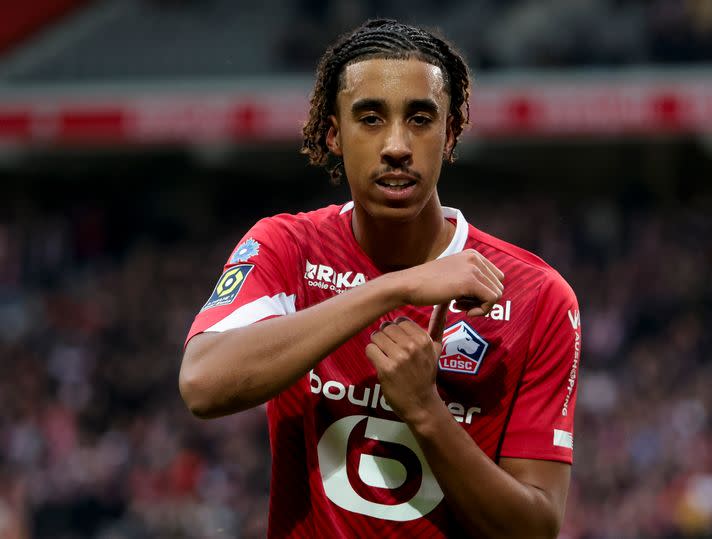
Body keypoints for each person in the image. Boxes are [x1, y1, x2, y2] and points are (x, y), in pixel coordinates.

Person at [179, 18, 582, 538]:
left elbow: (535, 528)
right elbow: (201, 384)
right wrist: (399, 287)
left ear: (451, 133)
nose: (396, 145)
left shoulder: (539, 298)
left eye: (420, 118)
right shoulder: (288, 248)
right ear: (333, 133)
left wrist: (424, 410)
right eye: (370, 118)